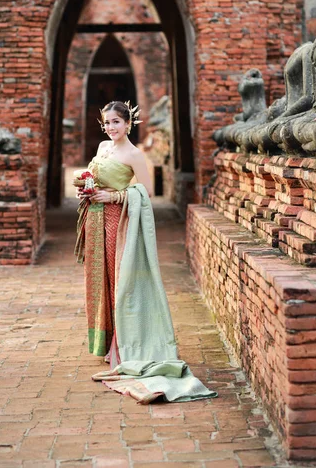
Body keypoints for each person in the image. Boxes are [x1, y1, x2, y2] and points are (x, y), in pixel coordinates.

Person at [74, 100, 217, 404]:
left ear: (128, 124)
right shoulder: (102, 147)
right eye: (107, 123)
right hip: (95, 220)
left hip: (117, 221)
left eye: (116, 122)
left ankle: (124, 348)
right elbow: (93, 177)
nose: (111, 128)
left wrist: (111, 195)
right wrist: (85, 188)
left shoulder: (135, 155)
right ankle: (108, 342)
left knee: (119, 280)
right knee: (100, 280)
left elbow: (146, 192)